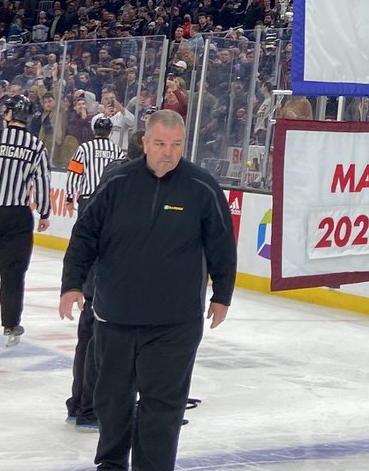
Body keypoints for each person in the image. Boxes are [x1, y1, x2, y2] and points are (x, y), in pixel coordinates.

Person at [59, 110, 237, 471]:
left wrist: (222, 294)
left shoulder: (201, 187)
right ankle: (110, 464)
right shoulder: (117, 181)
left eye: (175, 145)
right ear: (145, 143)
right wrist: (72, 284)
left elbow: (221, 244)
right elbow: (85, 236)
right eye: (160, 144)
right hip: (115, 317)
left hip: (175, 323)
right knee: (112, 401)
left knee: (163, 406)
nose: (167, 152)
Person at [65, 128, 142, 433]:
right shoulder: (129, 181)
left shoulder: (112, 171)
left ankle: (79, 404)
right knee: (101, 340)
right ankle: (91, 410)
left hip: (96, 268)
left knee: (89, 335)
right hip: (109, 271)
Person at [0, 95, 51, 345]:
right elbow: (41, 181)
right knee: (13, 272)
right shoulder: (36, 146)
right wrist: (45, 213)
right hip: (17, 214)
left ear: (9, 114)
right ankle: (11, 324)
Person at [66, 114, 125, 208]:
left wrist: (70, 197)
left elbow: (74, 173)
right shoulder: (117, 150)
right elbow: (121, 174)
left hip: (87, 197)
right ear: (110, 131)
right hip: (107, 199)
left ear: (94, 131)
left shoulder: (84, 148)